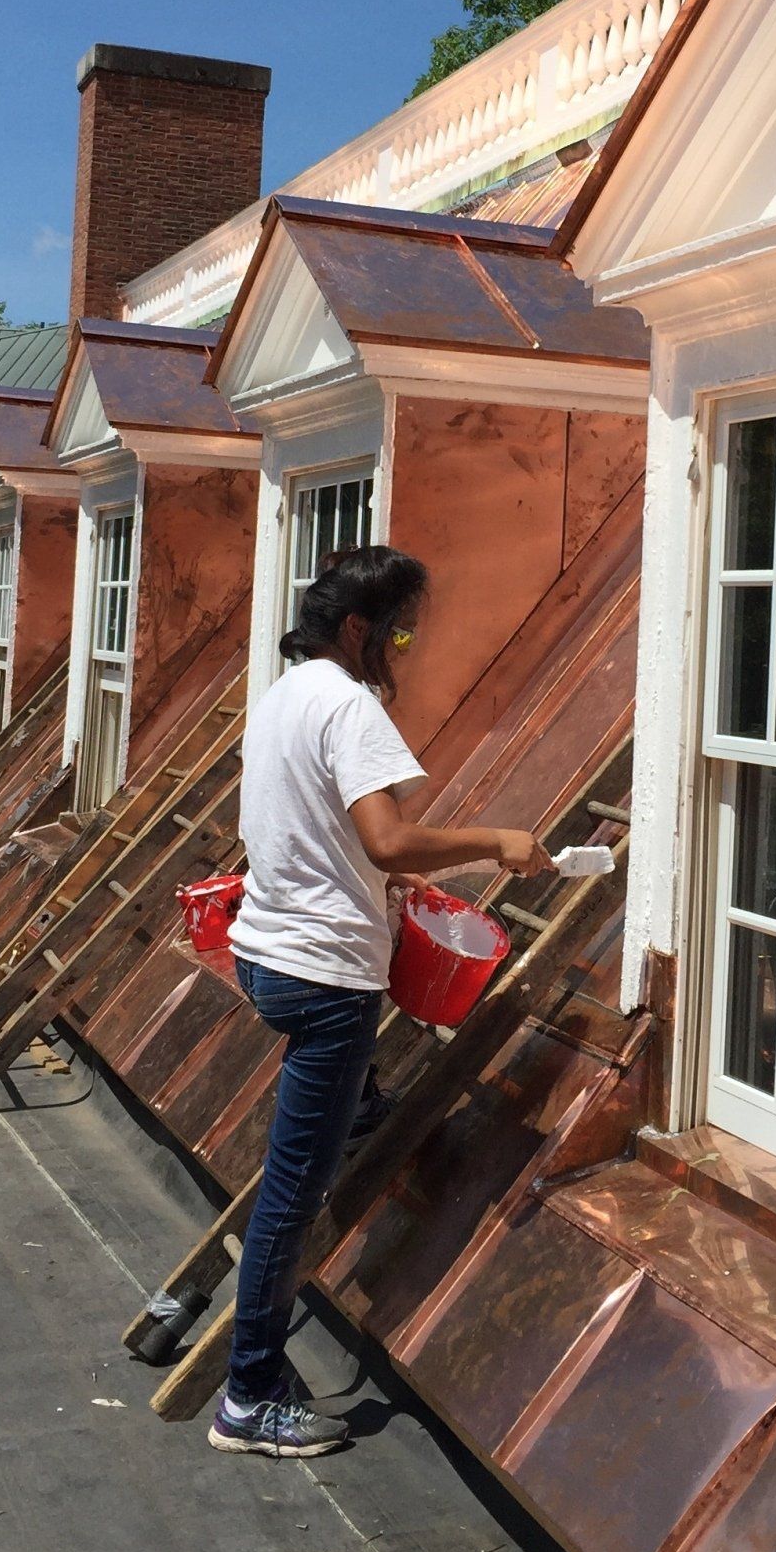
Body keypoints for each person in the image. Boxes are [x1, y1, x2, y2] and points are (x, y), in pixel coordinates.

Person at [210, 543, 551, 1457]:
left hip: (266, 956)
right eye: (399, 633)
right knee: (293, 1194)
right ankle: (248, 1396)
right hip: (325, 979)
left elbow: (310, 830)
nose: (405, 650)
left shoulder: (285, 694)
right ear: (358, 627)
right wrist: (497, 843)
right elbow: (388, 839)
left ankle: (358, 1105)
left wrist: (378, 884)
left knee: (335, 1112)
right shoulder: (349, 705)